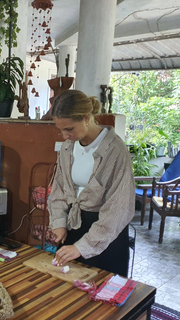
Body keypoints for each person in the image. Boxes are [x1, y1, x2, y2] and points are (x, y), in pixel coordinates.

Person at [48, 90, 135, 277]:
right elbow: (60, 188)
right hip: (74, 225)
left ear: (87, 118)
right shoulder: (68, 148)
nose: (64, 136)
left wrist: (82, 247)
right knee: (68, 287)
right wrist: (59, 222)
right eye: (60, 129)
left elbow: (118, 208)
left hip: (105, 234)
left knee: (101, 293)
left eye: (69, 129)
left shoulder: (115, 151)